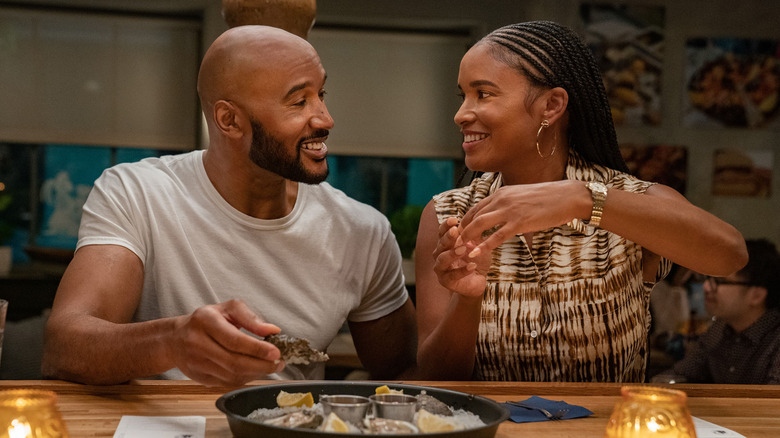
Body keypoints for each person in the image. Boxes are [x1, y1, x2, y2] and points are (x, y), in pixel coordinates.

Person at [41, 25, 417, 386]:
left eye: (322, 94)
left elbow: (407, 369)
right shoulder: (136, 193)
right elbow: (64, 348)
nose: (325, 118)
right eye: (300, 101)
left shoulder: (361, 231)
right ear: (230, 120)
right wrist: (171, 341)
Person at [415, 21, 748, 382]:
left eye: (483, 93)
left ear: (551, 105)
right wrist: (467, 299)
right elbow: (436, 376)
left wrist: (584, 199)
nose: (461, 114)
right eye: (462, 95)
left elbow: (729, 255)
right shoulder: (448, 215)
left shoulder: (631, 199)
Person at [651, 239, 780, 384]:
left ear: (757, 295)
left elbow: (774, 402)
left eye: (720, 281)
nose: (706, 287)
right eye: (709, 279)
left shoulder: (775, 339)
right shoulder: (719, 329)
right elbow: (681, 373)